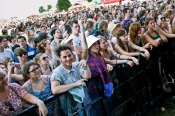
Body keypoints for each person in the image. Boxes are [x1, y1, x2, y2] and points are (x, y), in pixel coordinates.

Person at [51, 45, 91, 116]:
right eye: (64, 57)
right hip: (71, 109)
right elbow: (55, 89)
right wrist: (75, 84)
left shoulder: (77, 65)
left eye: (69, 55)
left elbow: (87, 76)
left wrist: (85, 65)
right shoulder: (57, 72)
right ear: (59, 58)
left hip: (85, 103)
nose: (68, 58)